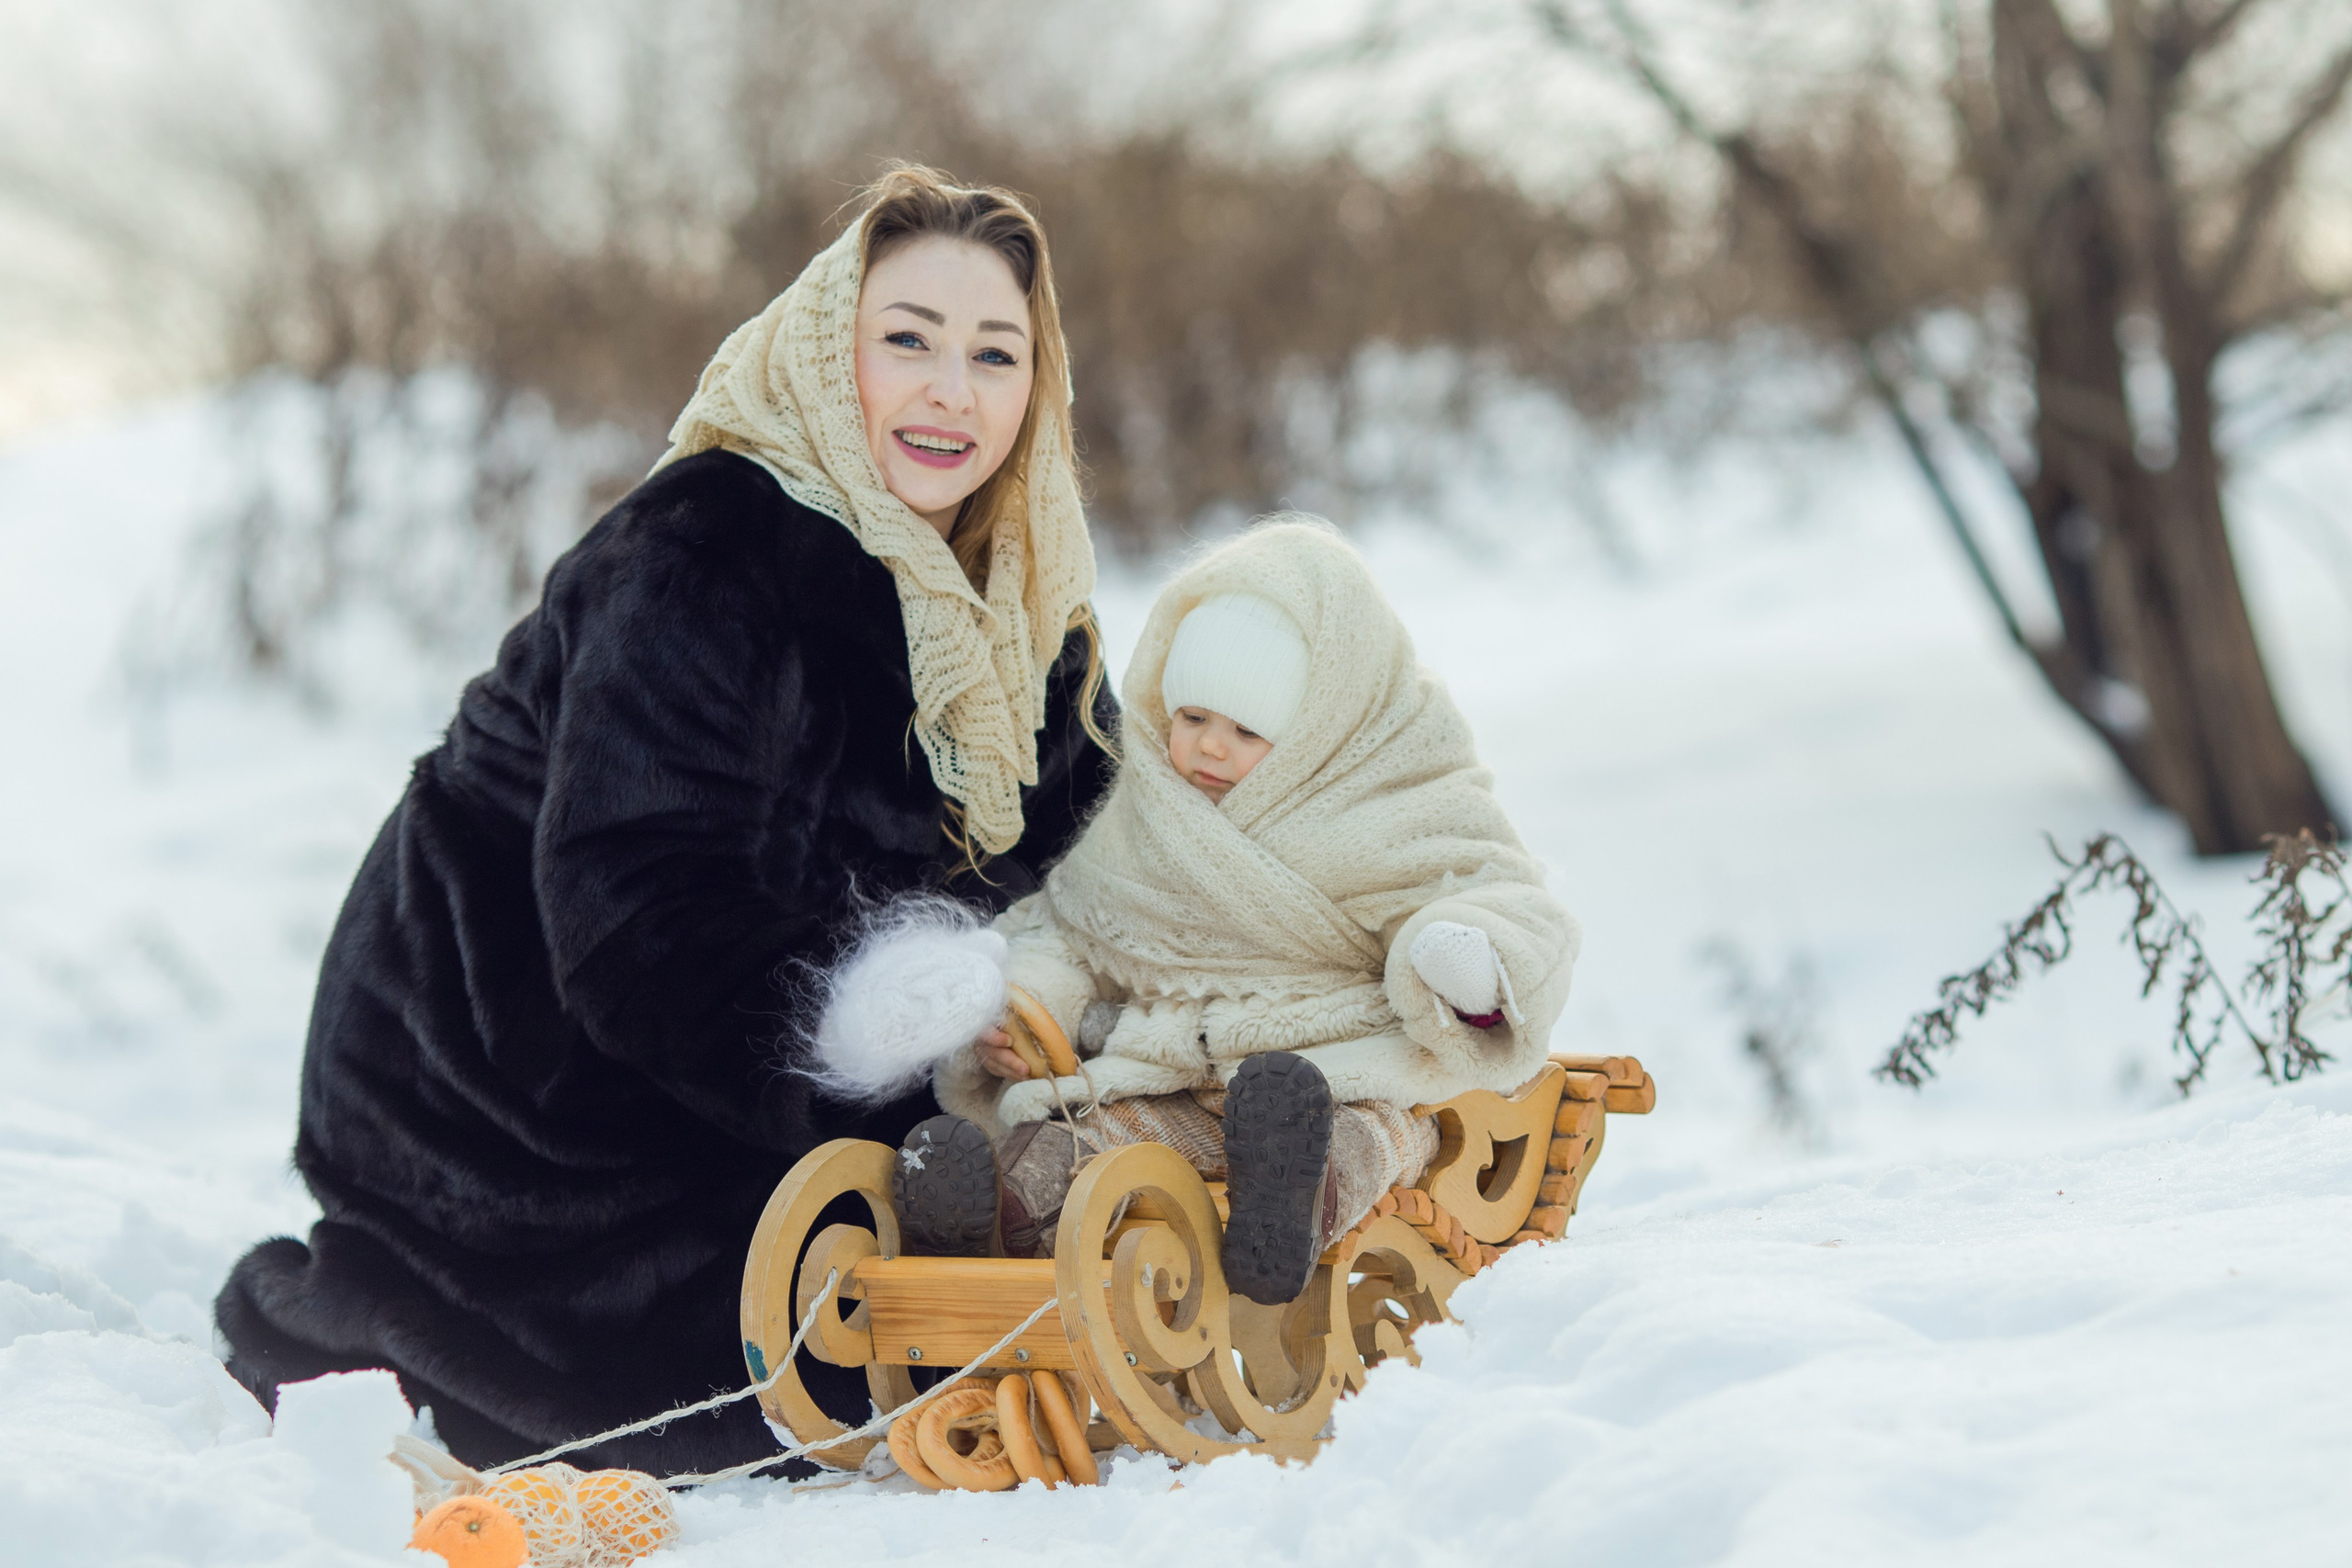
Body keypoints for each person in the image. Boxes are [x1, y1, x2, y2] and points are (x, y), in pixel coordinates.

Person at [211, 166, 1118, 1475]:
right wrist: (872, 1043)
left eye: (994, 354)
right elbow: (635, 912)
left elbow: (1097, 851)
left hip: (758, 1064)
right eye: (907, 340)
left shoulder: (1025, 605)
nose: (951, 392)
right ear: (829, 355)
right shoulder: (702, 550)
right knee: (865, 1333)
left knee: (1068, 1202)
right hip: (522, 1091)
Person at [812, 520, 1580, 1305]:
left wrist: (1460, 960)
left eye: (1246, 730)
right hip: (1166, 1080)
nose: (1210, 747)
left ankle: (1293, 1206)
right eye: (1192, 718)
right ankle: (990, 1215)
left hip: (1336, 1071)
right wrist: (1031, 1008)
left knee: (1374, 1131)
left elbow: (1495, 895)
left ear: (1317, 732)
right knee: (1077, 1139)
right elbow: (1073, 934)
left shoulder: (1386, 805)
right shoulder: (1147, 814)